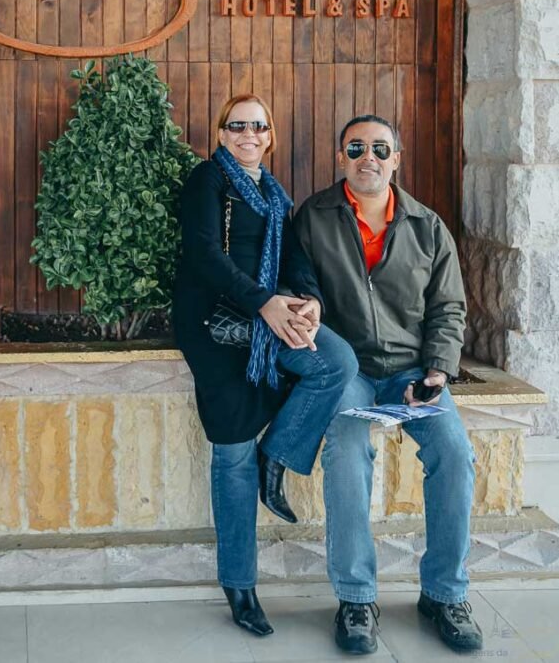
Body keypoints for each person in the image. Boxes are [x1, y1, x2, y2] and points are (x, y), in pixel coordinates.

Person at [293, 114, 483, 655]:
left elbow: (449, 307)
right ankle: (356, 598)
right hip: (347, 372)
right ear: (341, 158)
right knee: (348, 451)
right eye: (356, 148)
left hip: (411, 373)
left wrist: (437, 372)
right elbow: (298, 285)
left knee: (454, 451)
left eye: (380, 148)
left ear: (396, 159)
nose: (368, 157)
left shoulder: (427, 226)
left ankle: (445, 594)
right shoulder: (314, 218)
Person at [172, 94, 358, 638]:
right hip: (215, 325)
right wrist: (264, 303)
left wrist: (306, 300)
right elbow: (204, 253)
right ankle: (240, 586)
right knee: (231, 454)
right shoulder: (209, 180)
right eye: (237, 126)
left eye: (258, 126)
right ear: (222, 132)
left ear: (270, 134)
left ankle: (276, 455)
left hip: (266, 318)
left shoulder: (275, 194)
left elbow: (295, 259)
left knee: (335, 361)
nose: (248, 135)